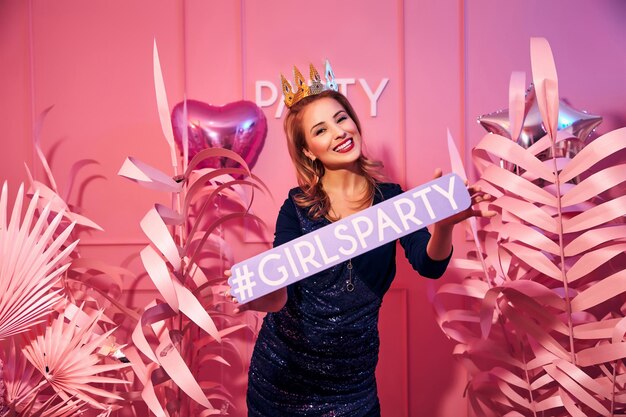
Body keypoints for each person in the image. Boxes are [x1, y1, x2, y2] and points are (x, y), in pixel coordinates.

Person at [226, 62, 494, 416]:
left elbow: (428, 266)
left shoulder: (393, 200)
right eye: (321, 130)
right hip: (282, 378)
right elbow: (282, 289)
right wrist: (260, 296)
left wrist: (443, 226)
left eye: (341, 118)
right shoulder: (296, 208)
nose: (338, 132)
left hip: (352, 386)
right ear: (308, 150)